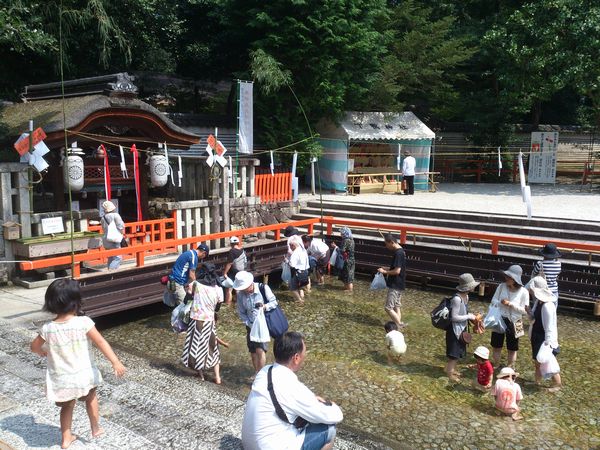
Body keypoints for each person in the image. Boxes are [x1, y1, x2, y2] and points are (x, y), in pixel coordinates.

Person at [30, 279, 126, 449]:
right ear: (76, 302)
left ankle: (66, 439)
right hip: (83, 375)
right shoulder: (84, 323)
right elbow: (101, 342)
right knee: (91, 398)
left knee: (67, 406)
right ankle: (95, 428)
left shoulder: (48, 328)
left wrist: (42, 351)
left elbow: (34, 347)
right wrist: (115, 362)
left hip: (62, 378)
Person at [241, 332, 343, 450]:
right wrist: (332, 405)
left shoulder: (265, 371)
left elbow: (291, 396)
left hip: (249, 444)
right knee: (329, 428)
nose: (305, 356)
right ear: (296, 358)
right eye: (304, 353)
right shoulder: (291, 386)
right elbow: (335, 416)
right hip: (267, 446)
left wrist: (312, 399)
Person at [181, 263, 224, 384]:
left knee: (196, 348)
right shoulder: (218, 289)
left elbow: (187, 300)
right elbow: (218, 307)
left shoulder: (195, 284)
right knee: (213, 348)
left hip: (196, 320)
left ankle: (202, 376)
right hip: (210, 321)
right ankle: (217, 377)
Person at [234, 271, 279, 373]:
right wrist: (247, 322)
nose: (244, 290)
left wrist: (265, 307)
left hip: (262, 325)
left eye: (245, 287)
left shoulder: (263, 288)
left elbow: (274, 302)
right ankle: (257, 373)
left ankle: (260, 375)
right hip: (250, 325)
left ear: (250, 283)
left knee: (260, 350)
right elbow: (241, 312)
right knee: (253, 351)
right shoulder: (241, 294)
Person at [489, 265, 529, 368]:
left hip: (517, 321)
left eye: (509, 277)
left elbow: (525, 311)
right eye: (506, 275)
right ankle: (496, 365)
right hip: (499, 318)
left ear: (515, 279)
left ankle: (510, 367)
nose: (506, 278)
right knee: (496, 346)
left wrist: (511, 304)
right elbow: (493, 301)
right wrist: (501, 303)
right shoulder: (501, 286)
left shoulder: (524, 292)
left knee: (513, 348)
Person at [526, 276, 562, 391]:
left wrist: (548, 345)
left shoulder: (547, 306)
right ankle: (537, 382)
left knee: (548, 363)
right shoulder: (539, 301)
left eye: (532, 289)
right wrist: (529, 312)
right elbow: (534, 319)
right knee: (537, 362)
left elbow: (550, 327)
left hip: (544, 339)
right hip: (537, 336)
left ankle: (557, 385)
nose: (530, 291)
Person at [445, 273, 480, 382]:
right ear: (468, 287)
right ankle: (450, 374)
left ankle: (449, 369)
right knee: (454, 354)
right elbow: (454, 317)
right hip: (454, 330)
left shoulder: (466, 297)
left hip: (461, 328)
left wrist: (472, 318)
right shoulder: (457, 299)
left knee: (459, 351)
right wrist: (469, 316)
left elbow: (463, 313)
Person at [377, 234, 407, 328]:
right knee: (396, 306)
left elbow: (397, 271)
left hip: (395, 284)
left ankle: (399, 325)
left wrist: (385, 272)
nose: (386, 247)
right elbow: (397, 268)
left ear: (392, 242)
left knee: (388, 308)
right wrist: (386, 268)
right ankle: (399, 324)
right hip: (400, 283)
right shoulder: (401, 251)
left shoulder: (398, 253)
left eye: (387, 244)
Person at [100, 200, 125, 271]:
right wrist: (122, 234)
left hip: (106, 239)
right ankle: (111, 270)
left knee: (111, 257)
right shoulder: (115, 215)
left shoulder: (103, 218)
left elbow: (103, 228)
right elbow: (120, 226)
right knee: (118, 257)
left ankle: (111, 270)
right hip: (114, 239)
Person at [223, 236, 248, 305]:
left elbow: (229, 263)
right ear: (238, 243)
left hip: (233, 271)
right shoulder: (242, 250)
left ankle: (228, 304)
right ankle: (238, 303)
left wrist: (225, 273)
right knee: (238, 288)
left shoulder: (232, 251)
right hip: (241, 271)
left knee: (229, 288)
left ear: (231, 244)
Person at [331, 227, 355, 292]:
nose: (340, 234)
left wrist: (335, 247)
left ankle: (349, 290)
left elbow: (342, 251)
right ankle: (347, 289)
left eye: (341, 233)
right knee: (349, 275)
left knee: (347, 275)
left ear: (345, 233)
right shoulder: (352, 240)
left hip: (347, 260)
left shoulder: (345, 240)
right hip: (351, 260)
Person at [288, 238, 310, 303]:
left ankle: (299, 300)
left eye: (290, 246)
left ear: (293, 245)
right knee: (301, 287)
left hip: (298, 272)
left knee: (293, 288)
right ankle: (302, 297)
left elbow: (292, 265)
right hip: (305, 270)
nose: (290, 248)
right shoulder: (303, 250)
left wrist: (287, 262)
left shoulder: (295, 254)